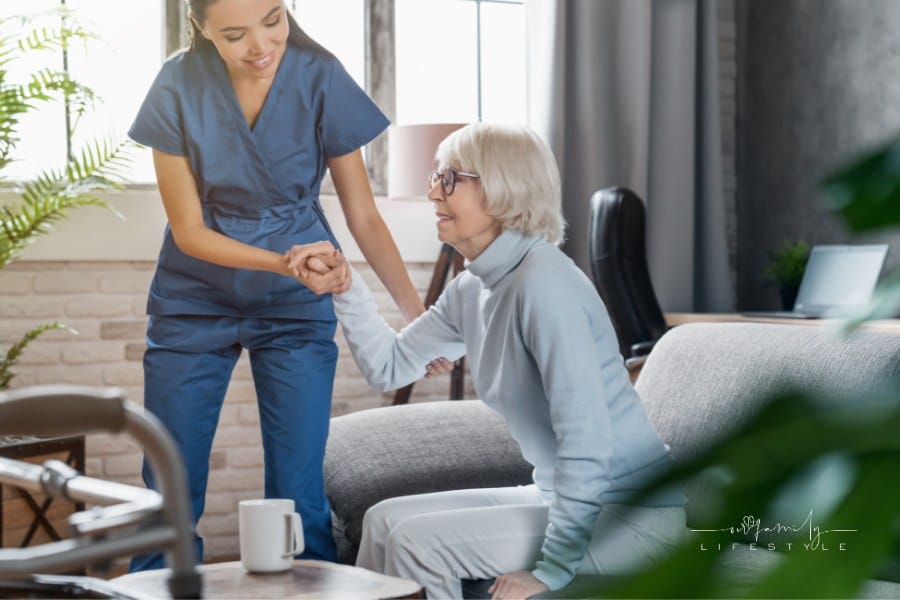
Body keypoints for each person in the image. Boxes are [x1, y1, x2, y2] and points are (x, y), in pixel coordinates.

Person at [288, 123, 687, 599]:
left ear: (504, 190)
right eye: (436, 177)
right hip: (558, 493)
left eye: (450, 179)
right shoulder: (473, 288)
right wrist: (346, 286)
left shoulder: (545, 285)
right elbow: (389, 366)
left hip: (634, 516)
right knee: (382, 520)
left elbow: (587, 440)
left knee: (417, 543)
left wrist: (553, 569)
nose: (432, 192)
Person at [127, 0, 444, 570]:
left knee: (300, 493)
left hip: (297, 301)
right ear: (199, 26)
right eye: (235, 34)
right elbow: (189, 231)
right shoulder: (176, 84)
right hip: (195, 297)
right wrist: (284, 262)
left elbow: (364, 216)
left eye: (273, 19)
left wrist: (416, 317)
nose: (261, 45)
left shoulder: (319, 76)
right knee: (167, 484)